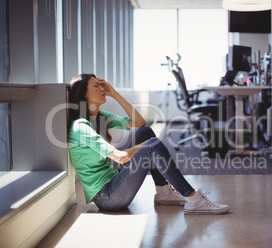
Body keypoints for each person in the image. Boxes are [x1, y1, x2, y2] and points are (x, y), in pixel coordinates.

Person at [67, 73, 230, 215]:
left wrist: (115, 94)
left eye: (102, 85)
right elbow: (119, 157)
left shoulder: (100, 117)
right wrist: (147, 146)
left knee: (145, 132)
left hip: (114, 183)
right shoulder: (81, 127)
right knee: (151, 143)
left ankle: (163, 192)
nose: (102, 89)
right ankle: (194, 200)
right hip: (108, 197)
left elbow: (139, 122)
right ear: (84, 94)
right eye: (96, 86)